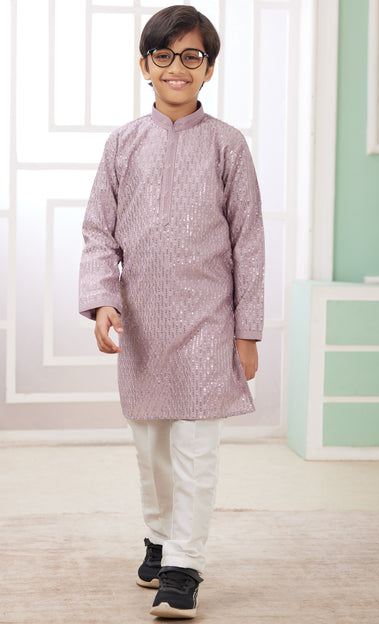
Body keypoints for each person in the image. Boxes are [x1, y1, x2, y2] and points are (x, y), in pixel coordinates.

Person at [79, 5, 264, 619]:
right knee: (152, 447)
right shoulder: (123, 144)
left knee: (196, 450)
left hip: (209, 323)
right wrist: (103, 301)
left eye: (192, 56)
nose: (177, 67)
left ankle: (184, 566)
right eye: (164, 55)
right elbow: (99, 232)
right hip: (143, 324)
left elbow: (249, 241)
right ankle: (159, 537)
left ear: (209, 69)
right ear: (145, 65)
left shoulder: (228, 145)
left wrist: (247, 331)